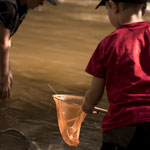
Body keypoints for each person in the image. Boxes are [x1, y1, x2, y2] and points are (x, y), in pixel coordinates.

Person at [82, 0, 150, 149]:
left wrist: (87, 105)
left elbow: (95, 94)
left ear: (114, 6)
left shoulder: (109, 43)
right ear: (144, 8)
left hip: (122, 125)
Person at [0, 0, 56, 101]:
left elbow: (8, 37)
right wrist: (4, 76)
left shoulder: (23, 8)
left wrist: (7, 70)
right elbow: (3, 42)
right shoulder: (8, 7)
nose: (41, 4)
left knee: (6, 86)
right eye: (40, 0)